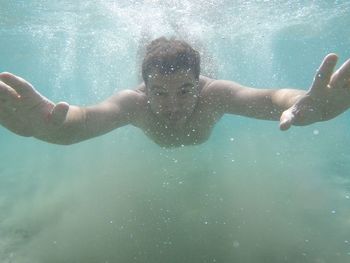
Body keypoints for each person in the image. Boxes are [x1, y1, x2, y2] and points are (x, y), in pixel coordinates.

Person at [0, 37, 349, 148]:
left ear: (199, 84)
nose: (173, 105)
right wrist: (48, 126)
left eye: (185, 90)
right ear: (145, 89)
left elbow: (270, 98)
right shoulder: (133, 104)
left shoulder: (216, 94)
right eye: (159, 93)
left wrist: (301, 103)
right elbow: (85, 119)